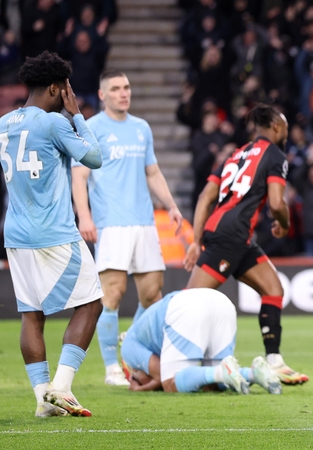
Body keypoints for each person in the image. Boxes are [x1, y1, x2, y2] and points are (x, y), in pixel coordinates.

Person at [1, 51, 103, 417]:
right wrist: (77, 115)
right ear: (58, 89)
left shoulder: (4, 123)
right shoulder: (55, 122)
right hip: (54, 232)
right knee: (92, 302)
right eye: (67, 90)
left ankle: (43, 401)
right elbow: (94, 158)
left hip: (15, 233)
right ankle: (62, 387)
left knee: (32, 315)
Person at [71, 70, 183, 386]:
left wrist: (171, 205)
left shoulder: (141, 128)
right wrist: (85, 216)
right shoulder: (91, 129)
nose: (124, 93)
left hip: (144, 222)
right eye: (117, 89)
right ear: (103, 94)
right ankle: (111, 369)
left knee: (152, 296)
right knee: (113, 293)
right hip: (111, 223)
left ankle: (129, 348)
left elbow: (153, 172)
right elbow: (79, 176)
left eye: (127, 87)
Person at [183, 103, 308, 386]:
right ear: (277, 126)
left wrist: (196, 239)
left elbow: (205, 196)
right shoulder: (275, 155)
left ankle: (274, 360)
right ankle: (144, 350)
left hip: (235, 236)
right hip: (230, 236)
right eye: (285, 127)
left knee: (273, 289)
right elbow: (277, 202)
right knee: (188, 302)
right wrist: (285, 225)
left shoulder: (236, 154)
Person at [121, 288, 281, 394]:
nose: (138, 378)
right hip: (221, 301)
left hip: (186, 306)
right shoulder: (141, 333)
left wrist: (138, 389)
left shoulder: (128, 347)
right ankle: (254, 374)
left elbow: (163, 379)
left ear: (134, 370)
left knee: (171, 383)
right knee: (213, 382)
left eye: (135, 376)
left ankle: (222, 371)